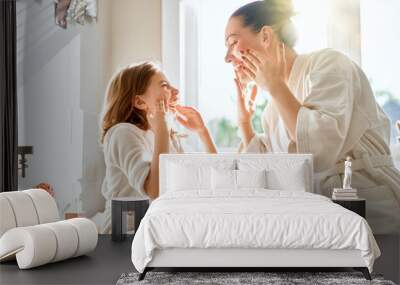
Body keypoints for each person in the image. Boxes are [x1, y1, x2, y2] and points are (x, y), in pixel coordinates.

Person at [224, 0, 400, 233]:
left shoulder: (328, 64)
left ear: (266, 36)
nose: (227, 57)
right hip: (319, 224)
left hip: (371, 212)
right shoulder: (273, 109)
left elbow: (318, 150)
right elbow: (267, 169)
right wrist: (245, 123)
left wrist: (275, 86)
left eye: (233, 42)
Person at [93, 62, 217, 233]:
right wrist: (163, 129)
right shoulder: (122, 133)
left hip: (158, 232)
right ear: (139, 101)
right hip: (123, 238)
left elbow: (213, 179)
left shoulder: (167, 138)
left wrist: (203, 132)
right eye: (165, 85)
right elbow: (155, 190)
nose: (176, 91)